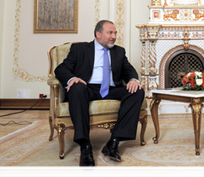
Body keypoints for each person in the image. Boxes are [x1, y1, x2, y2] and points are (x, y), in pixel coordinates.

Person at [55, 20, 144, 170]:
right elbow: (61, 69)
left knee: (137, 91)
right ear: (98, 34)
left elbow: (128, 69)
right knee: (77, 88)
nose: (114, 36)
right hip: (87, 87)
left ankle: (113, 142)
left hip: (111, 89)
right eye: (110, 32)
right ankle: (85, 146)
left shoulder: (119, 51)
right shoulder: (80, 49)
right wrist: (72, 79)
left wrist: (133, 79)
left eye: (115, 33)